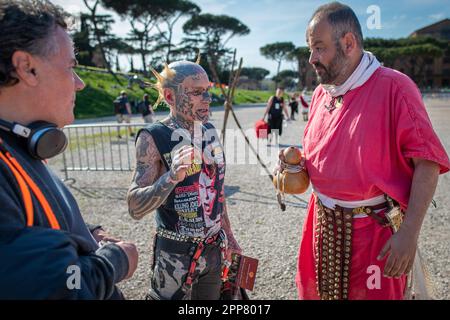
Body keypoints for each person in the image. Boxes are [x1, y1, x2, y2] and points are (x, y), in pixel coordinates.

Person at [275, 2, 450, 300]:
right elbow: (326, 152)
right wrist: (297, 166)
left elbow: (428, 163)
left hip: (373, 233)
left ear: (348, 43)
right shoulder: (321, 93)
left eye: (319, 48)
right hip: (320, 225)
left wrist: (409, 234)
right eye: (310, 49)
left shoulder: (395, 87)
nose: (311, 59)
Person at [0, 0, 138, 299]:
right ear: (27, 68)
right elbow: (52, 288)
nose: (80, 84)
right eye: (71, 67)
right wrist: (115, 262)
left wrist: (87, 232)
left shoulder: (19, 144)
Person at [127, 60, 241, 300]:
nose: (208, 98)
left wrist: (229, 237)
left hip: (213, 251)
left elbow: (217, 191)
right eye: (197, 92)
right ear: (170, 96)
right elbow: (134, 208)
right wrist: (170, 177)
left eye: (208, 90)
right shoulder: (153, 137)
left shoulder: (209, 130)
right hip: (175, 257)